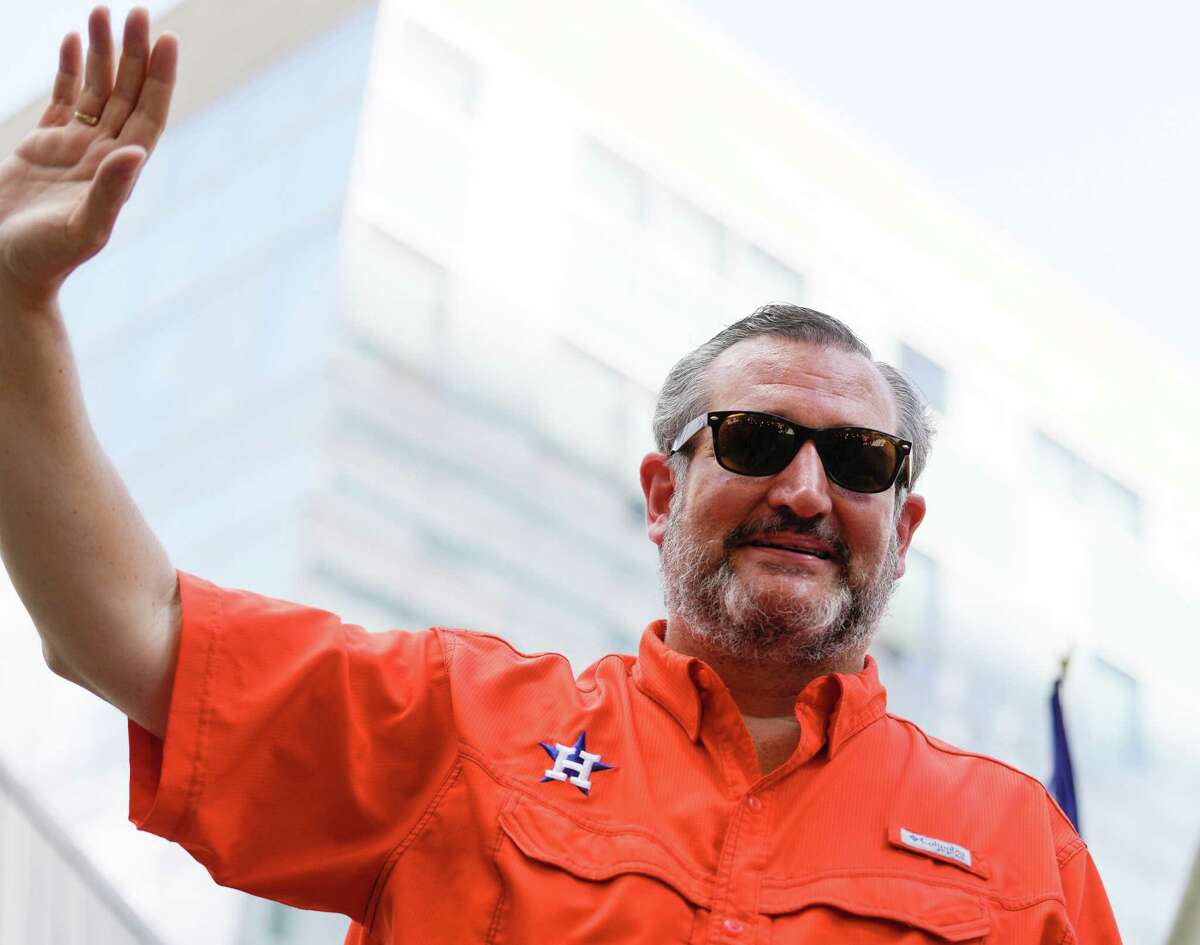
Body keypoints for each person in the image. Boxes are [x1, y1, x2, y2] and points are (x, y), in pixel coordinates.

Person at [0, 7, 1122, 944]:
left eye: (859, 458)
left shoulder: (1024, 855)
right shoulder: (458, 731)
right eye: (755, 441)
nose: (806, 491)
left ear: (906, 523)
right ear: (661, 491)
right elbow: (122, 628)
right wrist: (14, 314)